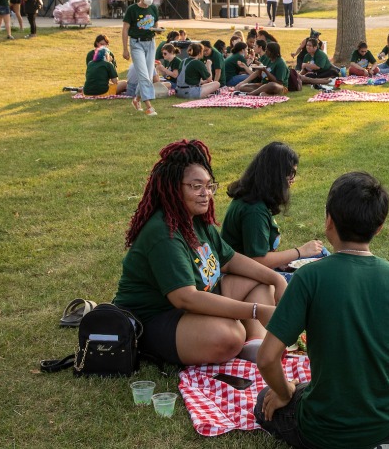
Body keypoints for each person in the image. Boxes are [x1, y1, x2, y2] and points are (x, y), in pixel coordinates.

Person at [254, 171, 389, 449]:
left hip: (323, 431)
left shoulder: (309, 278)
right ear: (379, 227)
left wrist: (283, 393)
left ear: (329, 219)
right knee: (309, 388)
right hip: (382, 420)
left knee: (268, 398)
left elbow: (266, 358)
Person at [112, 139, 287, 366]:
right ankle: (240, 336)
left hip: (197, 303)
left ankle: (255, 344)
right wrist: (255, 311)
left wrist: (276, 278)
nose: (206, 193)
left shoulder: (195, 220)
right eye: (196, 186)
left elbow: (230, 260)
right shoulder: (164, 233)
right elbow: (186, 298)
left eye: (209, 186)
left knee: (260, 282)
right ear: (174, 187)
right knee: (229, 336)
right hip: (157, 318)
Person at [221, 142, 324, 282]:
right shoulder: (254, 211)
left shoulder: (254, 200)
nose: (292, 181)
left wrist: (282, 260)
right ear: (276, 176)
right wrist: (300, 251)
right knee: (316, 277)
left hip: (255, 269)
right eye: (290, 175)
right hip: (245, 277)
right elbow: (257, 260)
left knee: (322, 254)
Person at [121, 0, 164, 116]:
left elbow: (155, 24)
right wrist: (125, 49)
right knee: (143, 74)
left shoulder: (153, 8)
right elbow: (125, 29)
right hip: (136, 43)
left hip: (150, 43)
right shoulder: (132, 10)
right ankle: (149, 106)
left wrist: (158, 30)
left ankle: (137, 99)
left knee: (149, 75)